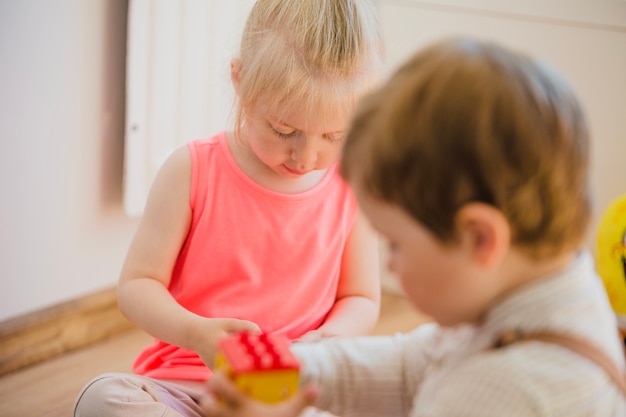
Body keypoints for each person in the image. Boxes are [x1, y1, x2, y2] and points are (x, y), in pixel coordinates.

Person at [199, 38, 626, 416]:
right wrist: (296, 368)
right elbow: (409, 369)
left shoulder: (506, 393)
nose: (392, 267)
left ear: (480, 239)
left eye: (395, 244)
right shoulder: (532, 300)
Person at [73, 1, 383, 416]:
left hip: (289, 397)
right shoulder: (191, 169)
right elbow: (137, 286)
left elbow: (361, 297)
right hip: (188, 388)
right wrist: (196, 333)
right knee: (103, 400)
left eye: (333, 134)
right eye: (283, 130)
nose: (306, 156)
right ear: (239, 79)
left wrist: (331, 339)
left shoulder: (350, 185)